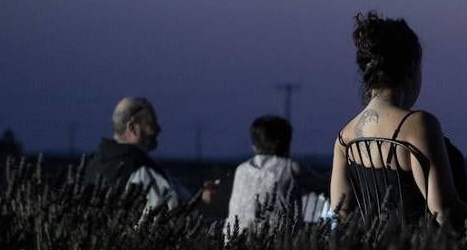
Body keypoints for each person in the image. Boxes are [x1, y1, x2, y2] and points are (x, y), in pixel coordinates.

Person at [330, 12, 467, 226]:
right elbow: (443, 209)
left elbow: (341, 211)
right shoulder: (417, 125)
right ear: (411, 67)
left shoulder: (345, 137)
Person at [85, 97, 213, 211]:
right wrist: (199, 205)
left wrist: (198, 200)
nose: (158, 129)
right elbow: (168, 220)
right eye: (151, 123)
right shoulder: (142, 171)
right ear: (132, 128)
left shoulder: (94, 164)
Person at [225, 115, 326, 236]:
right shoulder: (291, 168)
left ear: (254, 145)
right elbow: (324, 184)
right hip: (275, 246)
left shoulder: (241, 170)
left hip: (233, 244)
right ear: (286, 142)